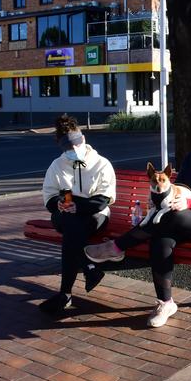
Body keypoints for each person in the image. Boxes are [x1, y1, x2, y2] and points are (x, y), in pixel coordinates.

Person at [85, 119, 191, 327]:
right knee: (160, 238)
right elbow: (179, 185)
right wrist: (160, 199)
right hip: (184, 219)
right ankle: (166, 303)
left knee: (173, 216)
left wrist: (189, 202)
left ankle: (117, 246)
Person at [39, 114, 116, 314]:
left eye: (77, 144)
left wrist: (79, 207)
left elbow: (104, 199)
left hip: (94, 214)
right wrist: (60, 204)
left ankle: (65, 293)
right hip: (65, 214)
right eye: (68, 147)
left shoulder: (101, 164)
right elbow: (49, 195)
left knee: (72, 234)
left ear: (83, 140)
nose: (74, 150)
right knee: (71, 224)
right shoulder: (57, 165)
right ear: (63, 147)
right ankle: (89, 268)